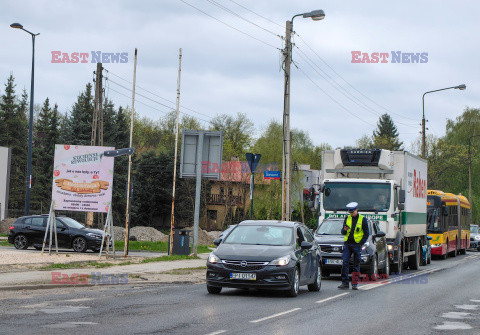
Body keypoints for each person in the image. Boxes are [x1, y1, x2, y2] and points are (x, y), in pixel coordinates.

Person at [338, 202, 369, 290]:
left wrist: (360, 244)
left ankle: (355, 283)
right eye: (350, 212)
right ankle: (345, 283)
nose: (351, 214)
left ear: (356, 210)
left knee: (356, 264)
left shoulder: (363, 219)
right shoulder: (347, 218)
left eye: (352, 212)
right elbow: (343, 232)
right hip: (347, 244)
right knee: (345, 262)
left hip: (357, 245)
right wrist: (344, 230)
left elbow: (366, 234)